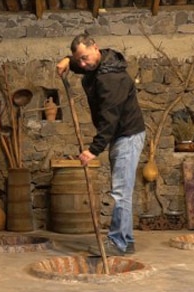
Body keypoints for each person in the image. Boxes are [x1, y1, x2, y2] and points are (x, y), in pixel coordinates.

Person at [56, 33, 146, 256]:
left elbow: (109, 120)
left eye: (85, 57)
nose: (83, 64)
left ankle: (118, 243)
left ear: (95, 47)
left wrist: (93, 150)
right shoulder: (102, 62)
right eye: (80, 60)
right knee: (122, 191)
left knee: (120, 192)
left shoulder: (111, 79)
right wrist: (69, 60)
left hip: (127, 135)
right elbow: (87, 66)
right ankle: (126, 240)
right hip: (120, 135)